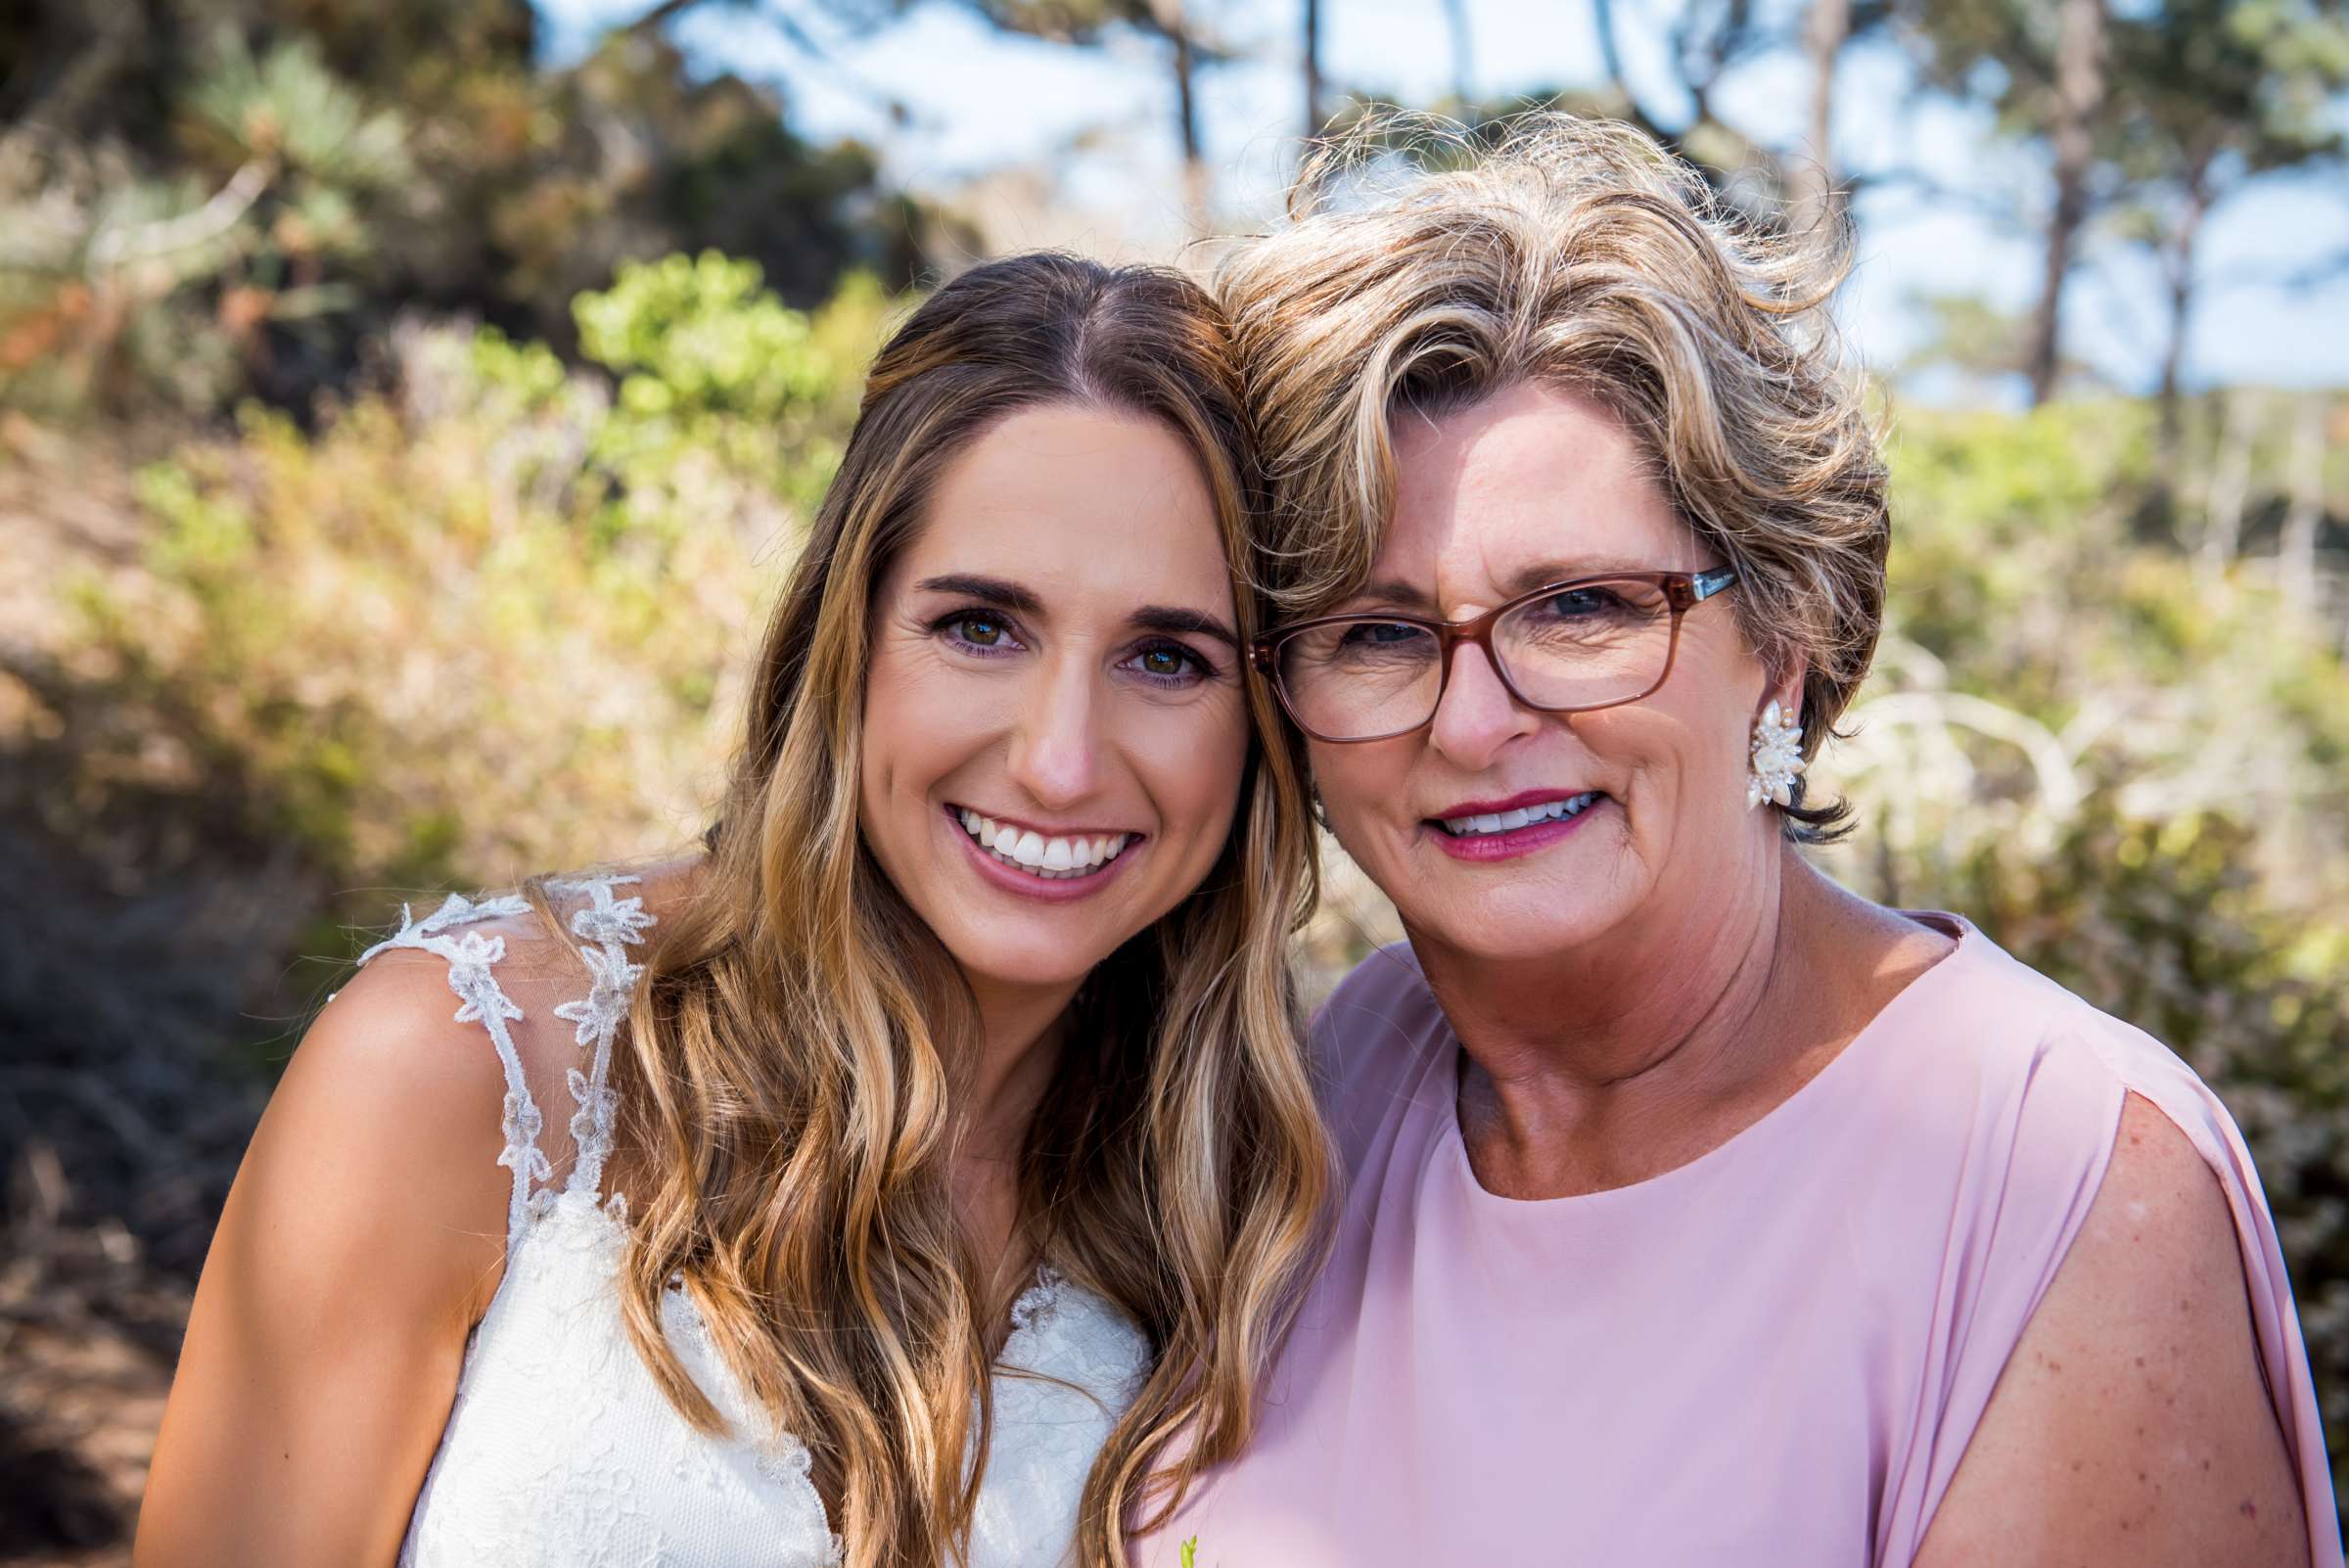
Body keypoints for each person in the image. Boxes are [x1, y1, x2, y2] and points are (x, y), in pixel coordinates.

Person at [1139, 117, 2339, 1567]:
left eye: (1580, 608)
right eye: (1376, 632)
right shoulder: (1343, 1074)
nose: (1472, 721)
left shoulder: (2071, 1178)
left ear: (1784, 634)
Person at [134, 252, 1334, 1568]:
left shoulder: (1248, 1200)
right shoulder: (467, 1065)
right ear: (847, 637)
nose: (1060, 758)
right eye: (982, 625)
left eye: (1168, 657)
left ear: (1261, 724)